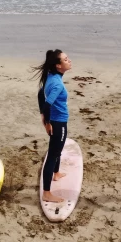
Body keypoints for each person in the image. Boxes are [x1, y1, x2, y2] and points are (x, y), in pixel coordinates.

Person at [32, 50, 72, 203]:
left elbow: (41, 94)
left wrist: (43, 116)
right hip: (58, 123)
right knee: (53, 155)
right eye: (66, 59)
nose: (69, 61)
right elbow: (48, 104)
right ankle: (47, 193)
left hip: (55, 121)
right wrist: (47, 123)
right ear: (58, 65)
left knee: (57, 150)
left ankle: (56, 173)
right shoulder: (56, 84)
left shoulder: (51, 77)